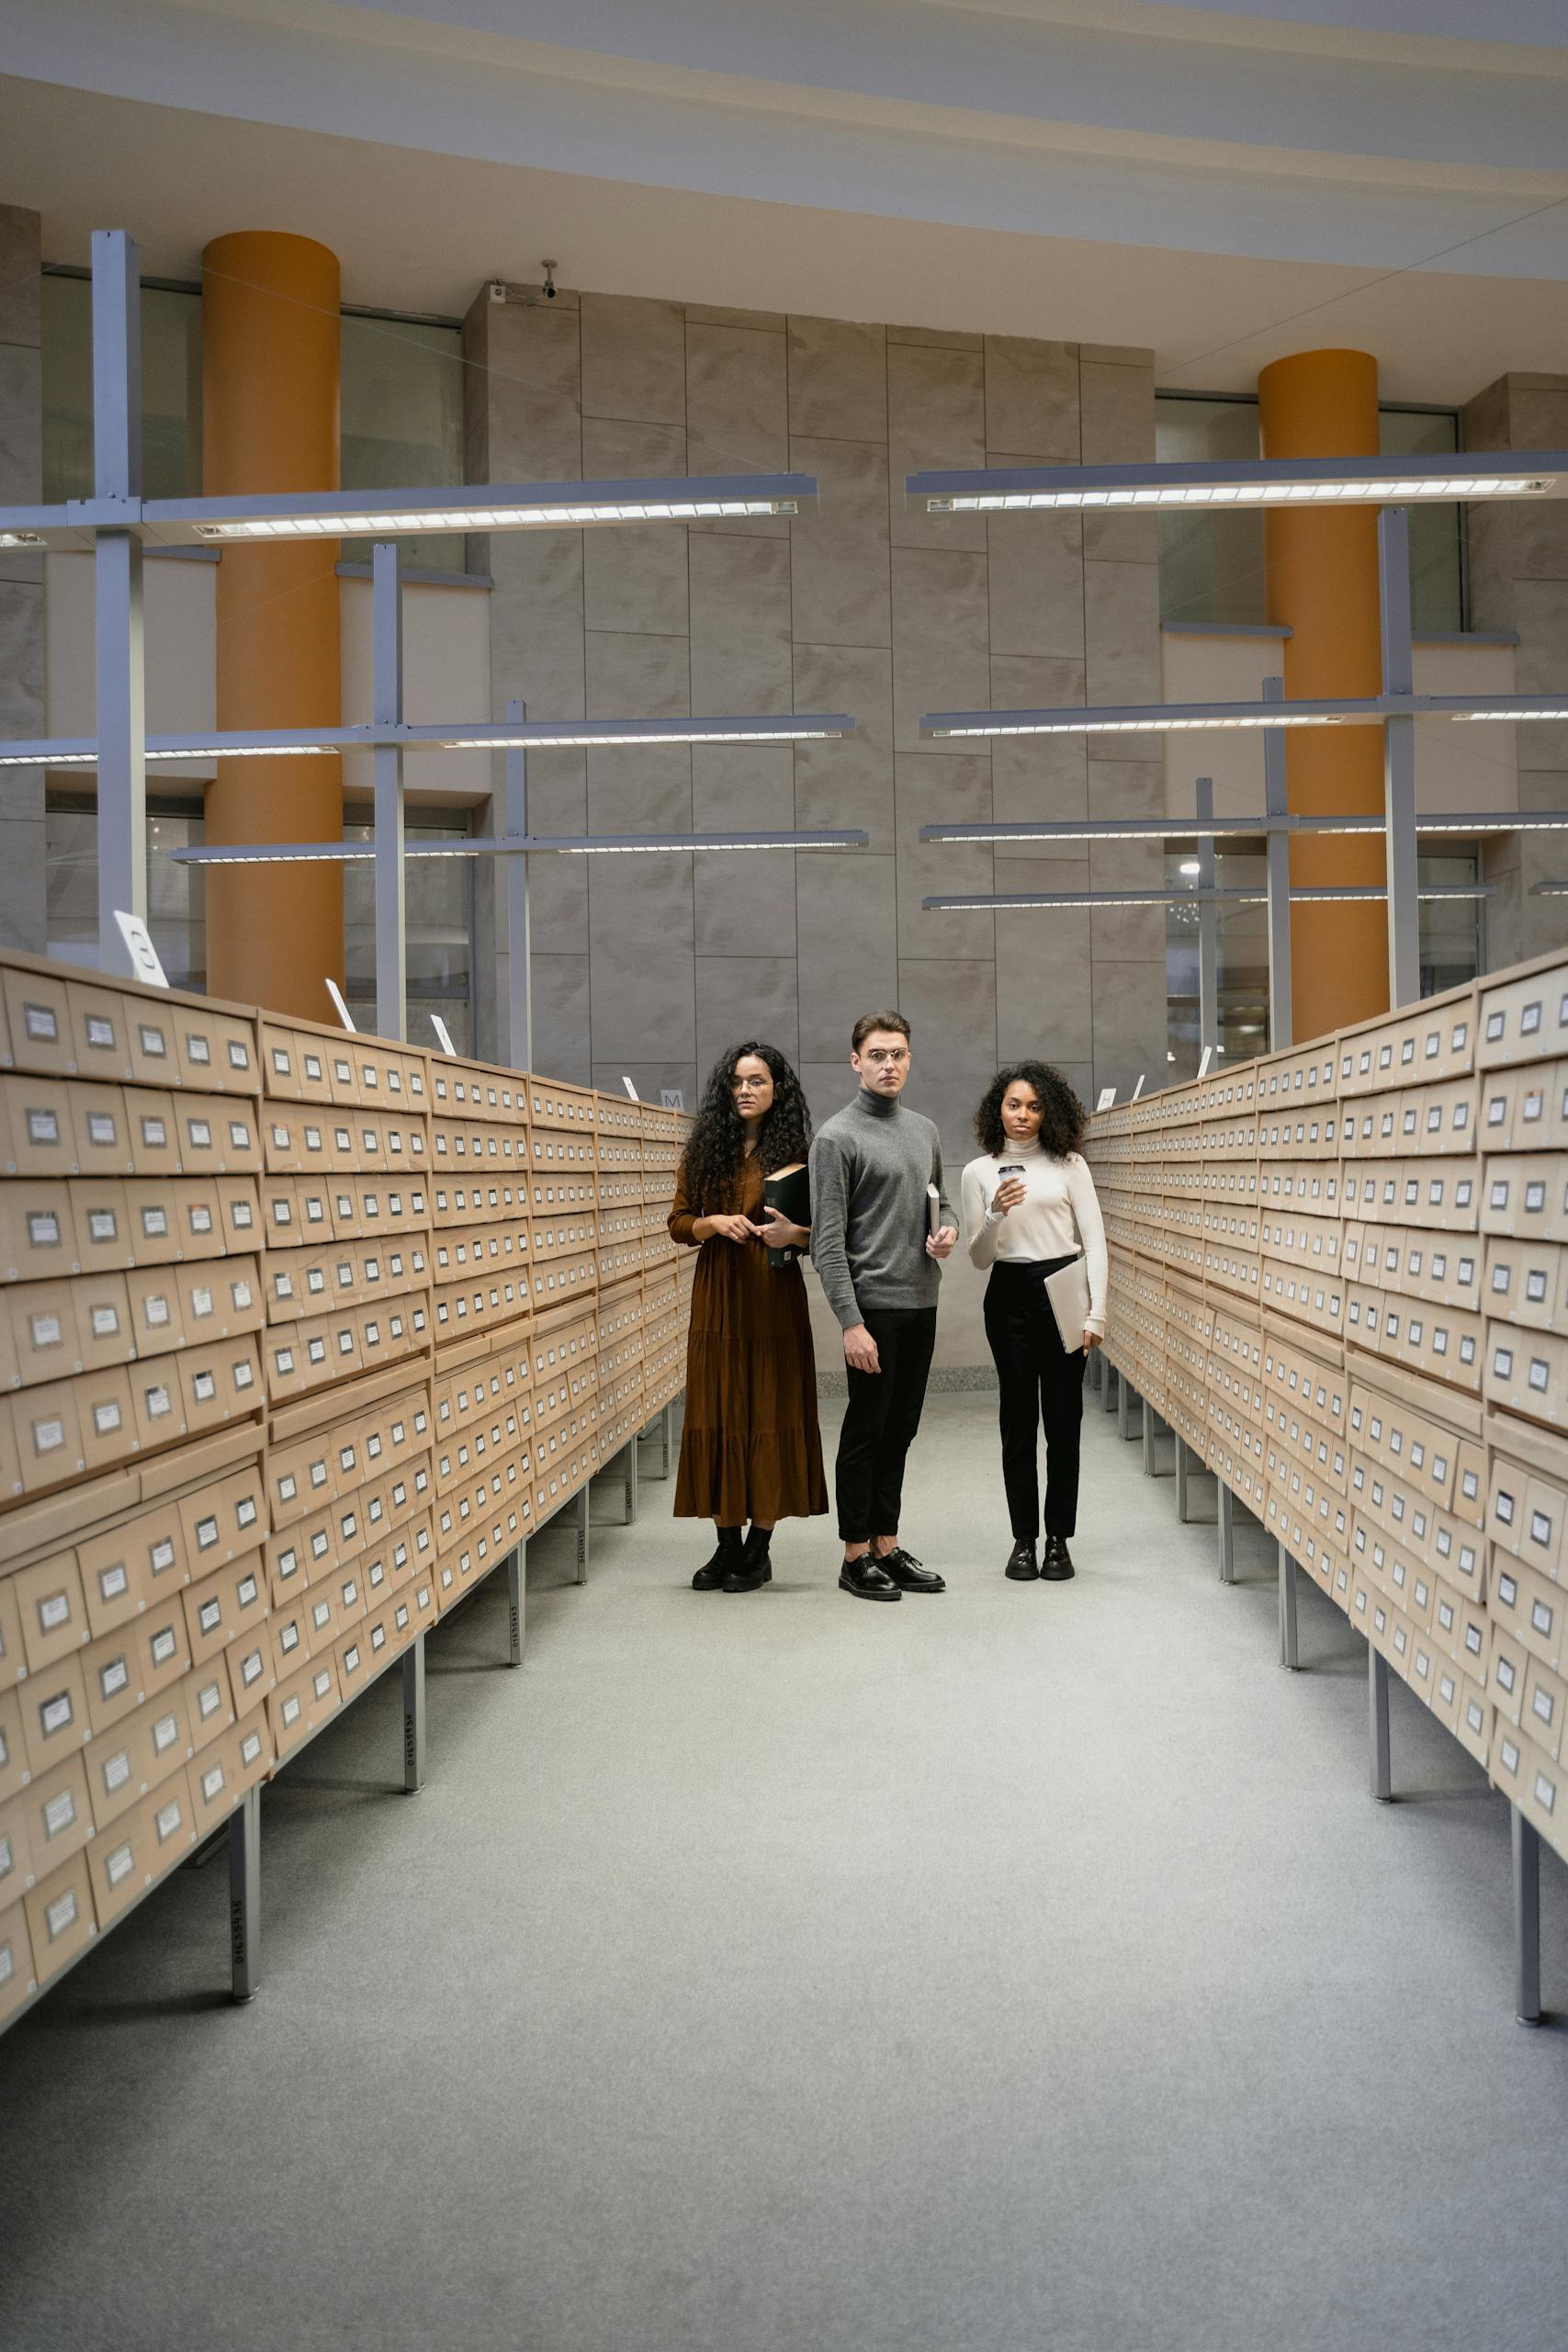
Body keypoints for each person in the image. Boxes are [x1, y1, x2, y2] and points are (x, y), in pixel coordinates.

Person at [808, 1011, 957, 1602]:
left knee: (901, 1430)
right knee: (867, 1431)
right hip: (872, 1310)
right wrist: (851, 1323)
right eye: (877, 1054)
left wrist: (945, 1230)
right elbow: (827, 1243)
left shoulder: (924, 1130)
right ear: (856, 1061)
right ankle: (853, 1555)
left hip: (922, 1303)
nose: (889, 1064)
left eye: (898, 1054)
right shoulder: (836, 1138)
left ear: (909, 1059)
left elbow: (941, 1200)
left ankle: (886, 1547)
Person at [668, 1041, 828, 1591]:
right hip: (718, 1297)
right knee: (718, 1407)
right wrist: (713, 1223)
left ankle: (758, 1549)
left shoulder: (801, 1153)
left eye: (756, 1081)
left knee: (769, 1409)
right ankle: (726, 1546)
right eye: (737, 1082)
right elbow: (678, 1222)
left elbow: (822, 1234)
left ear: (776, 1089)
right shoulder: (707, 1150)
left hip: (772, 1297)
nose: (744, 1091)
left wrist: (795, 1235)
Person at [962, 1061, 1107, 1585]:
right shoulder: (978, 1172)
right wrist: (996, 1213)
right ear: (997, 1109)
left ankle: (1058, 1540)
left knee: (1064, 1426)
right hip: (1009, 1296)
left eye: (1034, 1106)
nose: (1023, 1116)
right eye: (1014, 1105)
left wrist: (1098, 1311)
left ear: (1049, 1112)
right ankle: (1023, 1539)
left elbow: (1094, 1242)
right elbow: (979, 1258)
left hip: (1064, 1289)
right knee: (1018, 1424)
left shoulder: (1070, 1165)